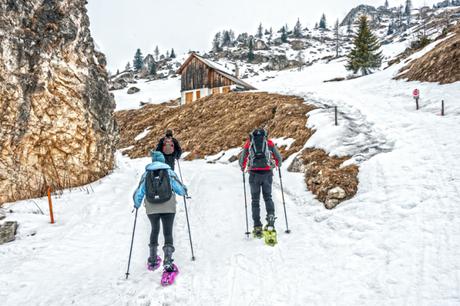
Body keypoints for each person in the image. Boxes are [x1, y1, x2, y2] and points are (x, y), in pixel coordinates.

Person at [133, 151, 188, 274]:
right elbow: (180, 189)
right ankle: (168, 261)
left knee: (154, 229)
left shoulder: (146, 174)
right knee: (167, 232)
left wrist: (136, 204)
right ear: (163, 160)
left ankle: (152, 259)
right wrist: (185, 192)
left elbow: (140, 191)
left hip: (152, 207)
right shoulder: (169, 172)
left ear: (152, 161)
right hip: (168, 206)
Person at [239, 128, 282, 239]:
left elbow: (242, 158)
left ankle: (257, 226)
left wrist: (243, 167)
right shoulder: (269, 143)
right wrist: (277, 164)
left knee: (255, 200)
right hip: (267, 173)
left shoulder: (250, 143)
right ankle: (271, 217)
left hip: (254, 174)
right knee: (268, 197)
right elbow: (279, 158)